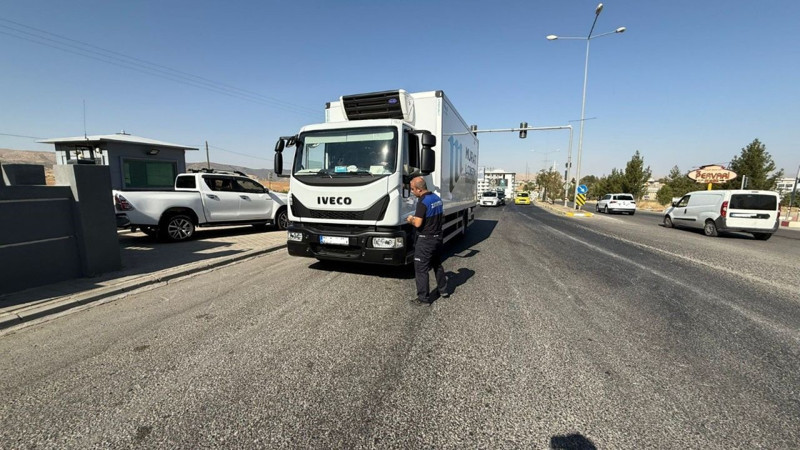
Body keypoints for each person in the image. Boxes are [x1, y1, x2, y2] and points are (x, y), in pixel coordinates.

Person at [406, 176, 448, 304]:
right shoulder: (436, 198)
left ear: (419, 189)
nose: (412, 192)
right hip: (437, 238)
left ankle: (423, 298)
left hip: (426, 240)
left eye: (412, 189)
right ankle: (443, 290)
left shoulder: (423, 202)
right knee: (437, 264)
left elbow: (418, 223)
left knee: (421, 268)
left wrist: (410, 219)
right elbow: (443, 217)